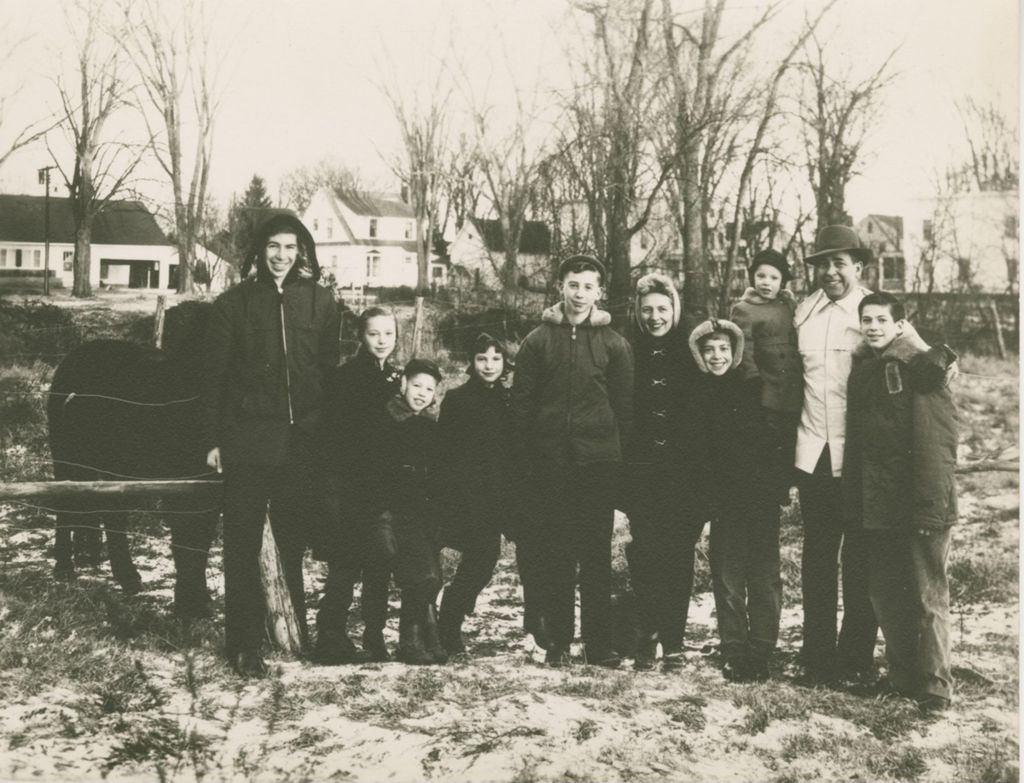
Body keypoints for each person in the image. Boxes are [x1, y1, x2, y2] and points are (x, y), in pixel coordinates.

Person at [201, 212, 340, 677]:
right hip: (249, 439)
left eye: (291, 247)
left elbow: (327, 371)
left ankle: (288, 625)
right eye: (274, 247)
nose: (282, 256)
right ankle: (243, 643)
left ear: (302, 251)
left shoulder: (321, 302)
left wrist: (323, 431)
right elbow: (214, 379)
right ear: (259, 251)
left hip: (304, 442)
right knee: (241, 541)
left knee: (292, 537)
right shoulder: (234, 304)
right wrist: (214, 440)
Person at [512, 254, 634, 668]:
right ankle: (559, 643)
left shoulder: (615, 344)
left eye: (588, 286)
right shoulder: (537, 341)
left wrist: (617, 466)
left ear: (599, 292)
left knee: (596, 557)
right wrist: (530, 465)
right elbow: (522, 408)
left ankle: (598, 646)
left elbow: (624, 409)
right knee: (558, 555)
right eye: (573, 284)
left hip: (597, 466)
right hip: (552, 467)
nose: (580, 293)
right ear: (560, 287)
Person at [842, 292, 958, 711]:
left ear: (900, 325)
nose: (873, 327)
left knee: (927, 596)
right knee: (888, 592)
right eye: (866, 320)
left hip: (920, 505)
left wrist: (930, 509)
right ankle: (904, 678)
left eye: (881, 320)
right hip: (880, 505)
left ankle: (935, 687)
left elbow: (936, 444)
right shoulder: (867, 368)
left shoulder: (921, 368)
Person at [793, 225, 878, 684]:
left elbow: (910, 351)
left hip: (860, 455)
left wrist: (941, 361)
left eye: (839, 263)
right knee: (818, 556)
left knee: (860, 558)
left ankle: (856, 659)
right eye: (823, 264)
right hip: (813, 453)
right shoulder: (804, 313)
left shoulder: (872, 313)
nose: (830, 272)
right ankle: (817, 655)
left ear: (858, 267)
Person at [687, 318, 783, 681]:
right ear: (699, 354)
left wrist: (773, 488)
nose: (717, 356)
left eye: (724, 349)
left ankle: (761, 648)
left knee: (764, 574)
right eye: (709, 350)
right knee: (727, 574)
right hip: (724, 500)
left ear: (736, 351)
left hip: (759, 496)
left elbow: (773, 442)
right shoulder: (697, 394)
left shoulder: (756, 387)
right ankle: (734, 647)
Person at [625, 273, 707, 670]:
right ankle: (647, 634)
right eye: (647, 311)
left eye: (662, 309)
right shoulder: (629, 347)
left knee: (677, 554)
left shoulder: (692, 348)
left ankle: (674, 641)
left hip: (684, 474)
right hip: (641, 473)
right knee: (644, 554)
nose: (655, 317)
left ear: (674, 308)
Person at [314, 307, 403, 664]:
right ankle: (330, 635)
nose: (382, 341)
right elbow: (336, 436)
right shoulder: (346, 377)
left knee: (380, 563)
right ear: (361, 337)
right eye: (374, 334)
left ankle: (374, 635)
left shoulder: (395, 379)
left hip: (381, 486)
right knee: (345, 563)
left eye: (388, 334)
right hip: (348, 485)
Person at [436, 334, 519, 656]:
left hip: (496, 496)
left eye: (496, 359)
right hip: (463, 494)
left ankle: (450, 618)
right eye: (482, 358)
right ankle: (440, 627)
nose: (489, 365)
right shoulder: (457, 399)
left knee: (483, 562)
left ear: (504, 363)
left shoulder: (509, 400)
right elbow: (444, 451)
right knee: (470, 559)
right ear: (472, 362)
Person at [364, 358, 447, 665]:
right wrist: (381, 513)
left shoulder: (429, 425)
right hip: (388, 509)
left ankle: (419, 636)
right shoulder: (385, 420)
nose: (422, 393)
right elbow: (372, 471)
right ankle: (391, 638)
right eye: (416, 386)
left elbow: (436, 474)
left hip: (418, 513)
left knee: (429, 576)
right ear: (403, 385)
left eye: (429, 388)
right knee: (399, 569)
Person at [729, 248, 803, 504]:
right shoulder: (744, 309)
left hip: (792, 384)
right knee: (768, 438)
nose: (766, 282)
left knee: (788, 436)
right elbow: (742, 346)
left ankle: (784, 483)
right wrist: (751, 378)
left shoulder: (789, 306)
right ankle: (770, 486)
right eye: (761, 276)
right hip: (766, 384)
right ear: (752, 278)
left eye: (773, 277)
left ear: (782, 281)